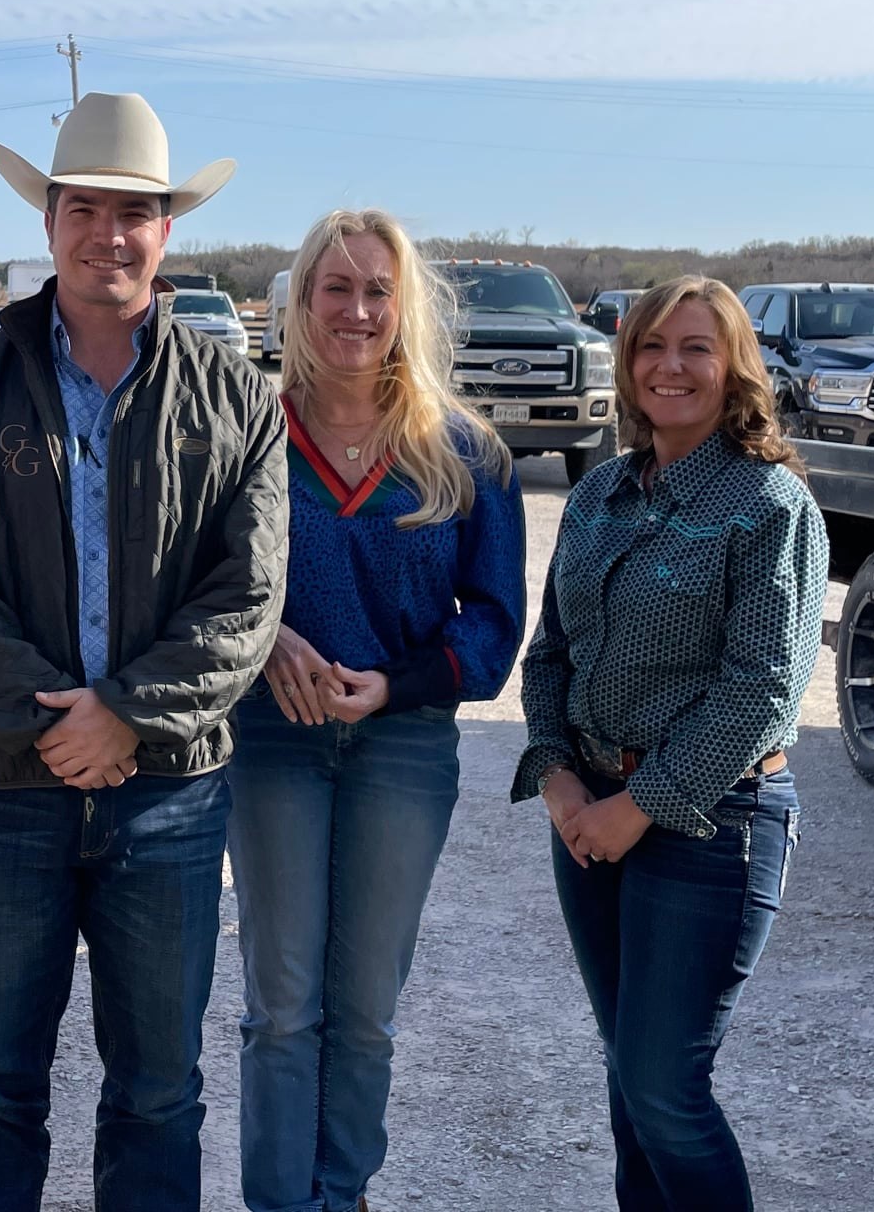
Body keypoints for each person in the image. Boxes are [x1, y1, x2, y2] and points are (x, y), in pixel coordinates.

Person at [0, 91, 288, 1212]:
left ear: (167, 231)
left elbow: (247, 592)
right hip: (3, 790)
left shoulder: (232, 396)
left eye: (133, 212)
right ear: (49, 221)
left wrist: (126, 711)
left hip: (166, 795)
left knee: (158, 1091)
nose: (105, 233)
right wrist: (53, 724)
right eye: (84, 208)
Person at [228, 209, 527, 1212]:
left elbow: (492, 629)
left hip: (402, 747)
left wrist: (395, 683)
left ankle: (338, 1194)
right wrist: (266, 642)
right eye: (336, 288)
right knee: (281, 1007)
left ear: (406, 310)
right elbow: (199, 582)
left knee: (364, 1012)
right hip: (273, 741)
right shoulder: (249, 433)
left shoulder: (464, 452)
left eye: (377, 291)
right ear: (302, 302)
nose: (357, 310)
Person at [511, 276, 828, 1212]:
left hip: (712, 824)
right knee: (629, 1081)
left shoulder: (769, 504)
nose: (671, 366)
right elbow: (550, 655)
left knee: (665, 1090)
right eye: (652, 346)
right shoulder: (601, 491)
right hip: (590, 817)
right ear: (627, 360)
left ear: (734, 366)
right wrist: (561, 782)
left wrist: (636, 808)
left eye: (695, 347)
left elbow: (764, 689)